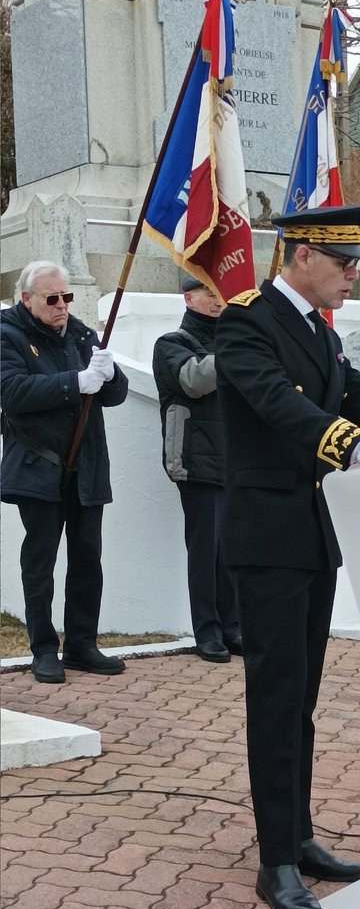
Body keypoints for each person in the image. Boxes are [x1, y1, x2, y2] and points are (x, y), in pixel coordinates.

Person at [215, 205, 360, 909]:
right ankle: (275, 861)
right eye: (345, 262)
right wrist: (346, 443)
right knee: (275, 698)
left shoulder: (317, 328)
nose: (355, 275)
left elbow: (351, 395)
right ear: (301, 255)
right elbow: (275, 405)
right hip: (268, 537)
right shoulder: (246, 319)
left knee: (302, 702)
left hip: (311, 535)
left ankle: (298, 836)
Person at [1, 260, 128, 684]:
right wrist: (75, 381)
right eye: (51, 299)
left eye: (66, 297)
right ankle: (42, 648)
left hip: (87, 465)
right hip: (40, 467)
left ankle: (81, 643)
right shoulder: (8, 335)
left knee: (87, 558)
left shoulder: (80, 333)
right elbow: (12, 391)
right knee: (40, 561)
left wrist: (109, 376)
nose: (61, 306)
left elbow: (115, 393)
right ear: (27, 299)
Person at [152, 274, 241, 663]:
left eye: (220, 291)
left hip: (238, 461)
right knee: (206, 550)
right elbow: (193, 379)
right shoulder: (172, 344)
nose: (217, 299)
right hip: (197, 459)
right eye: (208, 292)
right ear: (189, 298)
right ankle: (207, 630)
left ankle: (233, 626)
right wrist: (241, 352)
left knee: (233, 551)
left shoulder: (236, 343)